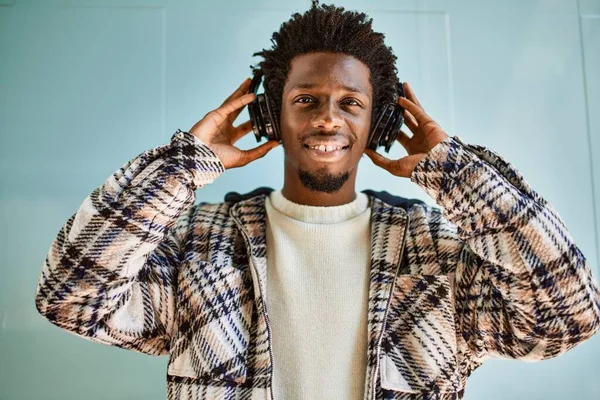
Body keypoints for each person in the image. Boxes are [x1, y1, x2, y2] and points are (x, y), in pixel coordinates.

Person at [34, 2, 600, 400]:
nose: (328, 116)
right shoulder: (199, 246)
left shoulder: (435, 253)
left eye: (350, 102)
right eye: (306, 99)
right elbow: (71, 298)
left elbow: (567, 317)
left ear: (377, 122)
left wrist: (456, 174)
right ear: (272, 118)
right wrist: (182, 166)